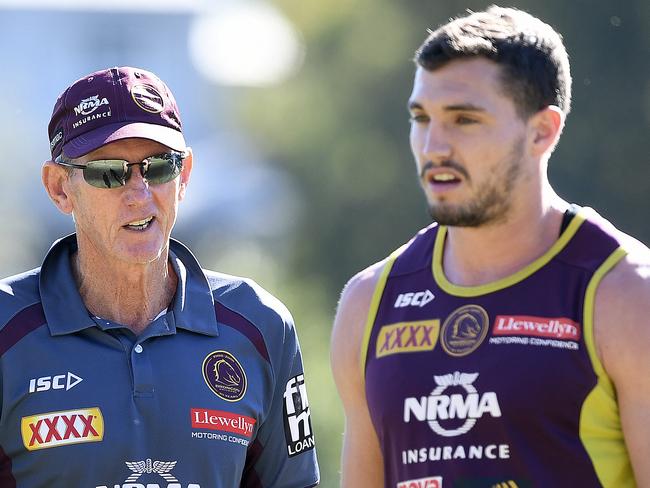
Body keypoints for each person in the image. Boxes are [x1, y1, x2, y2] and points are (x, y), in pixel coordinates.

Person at [331, 6, 650, 487]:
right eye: (422, 118)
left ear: (542, 130)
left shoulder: (625, 295)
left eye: (464, 119)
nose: (434, 145)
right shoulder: (369, 302)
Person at [0, 66, 319, 487]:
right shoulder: (7, 330)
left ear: (184, 176)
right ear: (60, 187)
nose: (139, 193)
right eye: (109, 172)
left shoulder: (261, 326)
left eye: (159, 167)